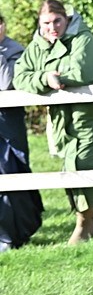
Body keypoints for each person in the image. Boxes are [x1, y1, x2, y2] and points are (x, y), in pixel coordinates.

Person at [14, 0, 93, 244]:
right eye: (47, 23)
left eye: (57, 21)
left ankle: (83, 226)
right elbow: (21, 76)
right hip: (63, 117)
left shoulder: (83, 39)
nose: (53, 28)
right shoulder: (37, 45)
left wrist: (52, 78)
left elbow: (80, 71)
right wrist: (44, 77)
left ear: (66, 19)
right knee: (77, 165)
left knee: (82, 164)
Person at [0, 14, 43, 250]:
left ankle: (11, 235)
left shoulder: (15, 50)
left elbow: (5, 83)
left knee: (10, 173)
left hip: (7, 126)